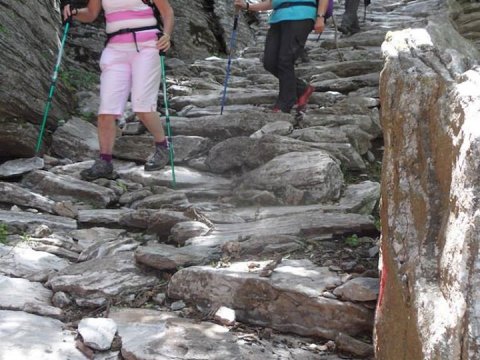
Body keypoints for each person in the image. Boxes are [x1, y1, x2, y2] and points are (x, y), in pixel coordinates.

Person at [62, 0, 174, 181]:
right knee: (107, 110)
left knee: (143, 107)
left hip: (147, 47)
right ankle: (104, 161)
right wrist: (73, 13)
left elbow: (167, 12)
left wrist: (166, 35)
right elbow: (91, 14)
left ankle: (163, 147)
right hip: (115, 49)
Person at [233, 0, 328, 114]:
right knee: (269, 62)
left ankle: (285, 104)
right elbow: (272, 3)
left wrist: (320, 17)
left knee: (285, 60)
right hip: (277, 19)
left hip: (302, 15)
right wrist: (248, 6)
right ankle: (302, 89)